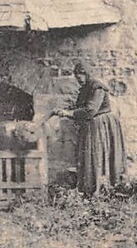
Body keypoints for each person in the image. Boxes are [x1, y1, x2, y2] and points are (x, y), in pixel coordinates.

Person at [54, 62, 126, 196]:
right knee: (89, 156)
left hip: (101, 124)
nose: (78, 78)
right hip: (91, 125)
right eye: (76, 76)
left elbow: (91, 110)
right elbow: (81, 106)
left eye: (80, 75)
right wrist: (65, 111)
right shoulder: (85, 88)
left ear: (86, 73)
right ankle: (90, 188)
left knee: (96, 155)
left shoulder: (97, 87)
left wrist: (69, 114)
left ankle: (106, 188)